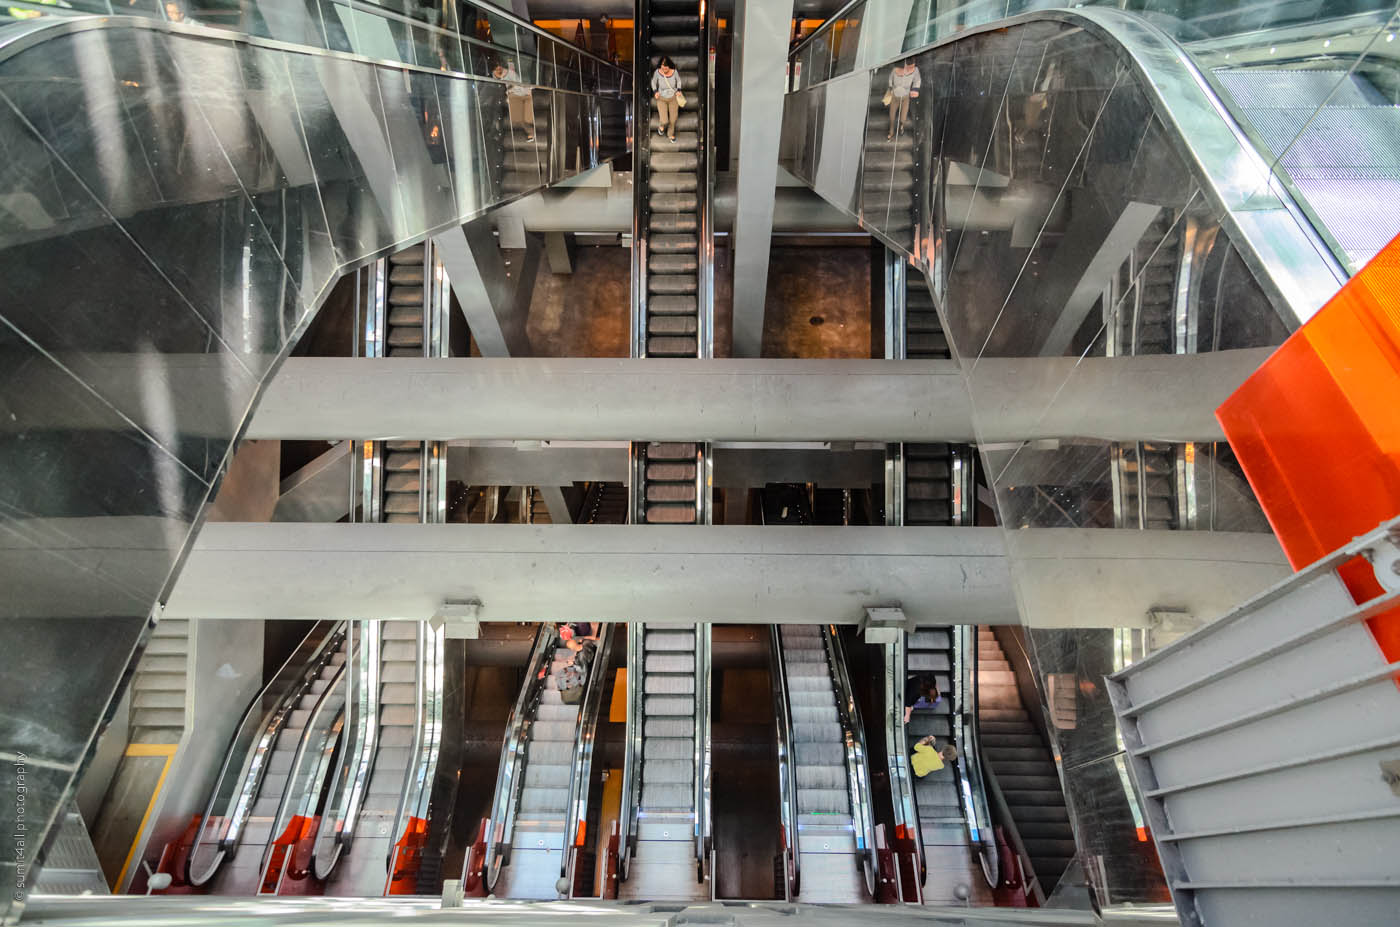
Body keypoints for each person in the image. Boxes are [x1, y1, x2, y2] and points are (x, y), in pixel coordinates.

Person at [493, 59, 535, 142]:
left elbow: (516, 84)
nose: (498, 70)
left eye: (499, 68)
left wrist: (509, 90)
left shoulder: (510, 73)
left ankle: (531, 132)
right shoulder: (496, 75)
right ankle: (531, 132)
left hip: (520, 93)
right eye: (496, 69)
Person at [886, 59, 921, 140]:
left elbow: (917, 80)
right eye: (909, 68)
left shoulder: (915, 70)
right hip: (895, 96)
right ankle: (891, 132)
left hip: (905, 96)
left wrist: (915, 89)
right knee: (892, 116)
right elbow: (890, 79)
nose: (910, 69)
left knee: (903, 117)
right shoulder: (895, 70)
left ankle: (902, 126)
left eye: (912, 67)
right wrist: (891, 87)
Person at [651, 56, 682, 143]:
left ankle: (670, 134)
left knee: (673, 119)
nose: (664, 69)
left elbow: (678, 81)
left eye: (666, 67)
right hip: (661, 98)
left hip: (673, 98)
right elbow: (653, 81)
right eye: (662, 67)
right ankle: (662, 126)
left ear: (670, 66)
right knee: (664, 120)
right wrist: (655, 91)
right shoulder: (657, 72)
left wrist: (679, 90)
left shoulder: (674, 71)